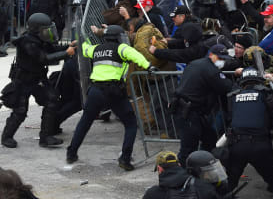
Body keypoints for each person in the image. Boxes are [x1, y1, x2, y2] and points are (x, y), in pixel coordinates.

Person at [66, 25, 154, 170]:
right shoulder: (122, 49)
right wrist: (149, 66)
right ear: (119, 38)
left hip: (95, 91)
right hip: (114, 92)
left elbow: (85, 48)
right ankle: (125, 159)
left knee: (85, 122)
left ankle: (71, 153)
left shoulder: (96, 49)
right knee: (131, 123)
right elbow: (137, 56)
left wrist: (83, 36)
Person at [1, 13, 75, 148]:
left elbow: (52, 49)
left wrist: (69, 46)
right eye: (45, 29)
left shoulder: (39, 39)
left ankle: (46, 136)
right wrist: (66, 54)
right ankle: (7, 137)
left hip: (38, 79)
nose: (48, 32)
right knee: (20, 111)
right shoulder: (27, 42)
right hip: (23, 81)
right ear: (36, 29)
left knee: (52, 100)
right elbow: (44, 58)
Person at [224, 67, 273, 197]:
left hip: (238, 145)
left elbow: (231, 118)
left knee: (230, 181)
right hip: (260, 145)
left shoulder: (233, 96)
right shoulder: (266, 94)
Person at [171, 44, 233, 165]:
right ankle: (183, 176)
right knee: (188, 148)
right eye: (220, 58)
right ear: (211, 55)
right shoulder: (211, 71)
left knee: (209, 139)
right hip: (188, 112)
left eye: (224, 59)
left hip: (190, 110)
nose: (222, 61)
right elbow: (226, 86)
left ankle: (206, 165)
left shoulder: (195, 63)